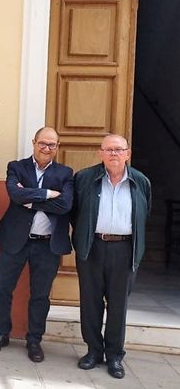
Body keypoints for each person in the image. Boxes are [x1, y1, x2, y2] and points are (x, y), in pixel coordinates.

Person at [0, 127, 73, 362]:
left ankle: (34, 340)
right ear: (34, 143)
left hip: (47, 245)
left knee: (40, 295)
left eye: (52, 145)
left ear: (58, 147)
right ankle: (1, 334)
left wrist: (31, 200)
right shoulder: (17, 167)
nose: (47, 148)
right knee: (1, 289)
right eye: (43, 143)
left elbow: (65, 205)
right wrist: (48, 194)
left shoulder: (65, 173)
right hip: (14, 241)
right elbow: (15, 195)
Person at [72, 134, 151, 379]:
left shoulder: (141, 181)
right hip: (92, 247)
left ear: (127, 154)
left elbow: (144, 212)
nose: (114, 154)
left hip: (125, 249)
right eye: (109, 150)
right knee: (91, 301)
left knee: (118, 305)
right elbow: (75, 213)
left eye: (119, 150)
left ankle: (115, 355)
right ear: (100, 153)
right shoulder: (84, 178)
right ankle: (93, 351)